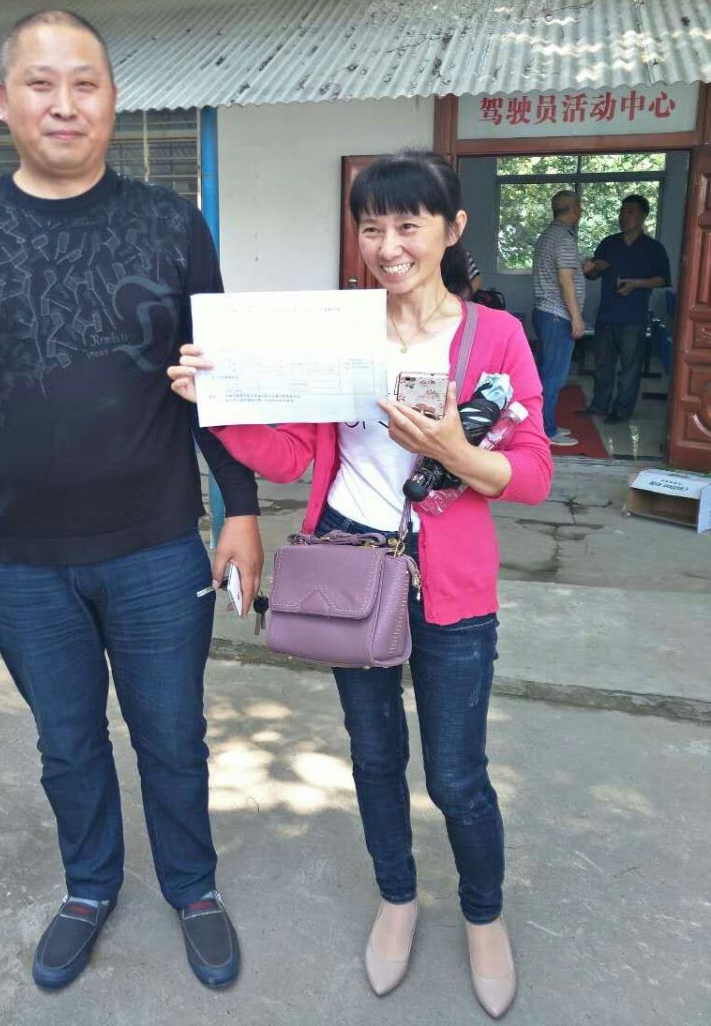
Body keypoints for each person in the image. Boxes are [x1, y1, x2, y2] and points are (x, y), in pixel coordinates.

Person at [0, 9, 264, 992]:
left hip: (156, 548)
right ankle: (91, 885)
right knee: (66, 743)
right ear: (4, 99)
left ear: (113, 99)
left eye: (84, 83)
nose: (64, 104)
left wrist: (242, 509)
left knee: (173, 736)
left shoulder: (171, 224)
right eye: (42, 82)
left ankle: (192, 887)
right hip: (21, 559)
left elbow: (217, 379)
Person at [169, 151, 553, 1018]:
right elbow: (293, 456)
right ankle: (397, 897)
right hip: (350, 569)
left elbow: (531, 475)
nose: (388, 246)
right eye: (372, 227)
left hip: (452, 585)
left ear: (451, 229)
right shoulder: (340, 330)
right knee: (374, 756)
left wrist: (455, 452)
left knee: (456, 776)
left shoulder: (494, 337)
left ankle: (483, 915)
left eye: (408, 225)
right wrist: (215, 406)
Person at [579, 194, 671, 423]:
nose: (624, 216)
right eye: (622, 211)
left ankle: (621, 410)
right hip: (606, 316)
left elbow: (662, 279)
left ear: (643, 216)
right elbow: (592, 274)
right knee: (602, 366)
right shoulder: (609, 243)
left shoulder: (653, 248)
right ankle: (599, 405)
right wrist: (591, 268)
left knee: (630, 369)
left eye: (630, 211)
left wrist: (636, 284)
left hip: (634, 318)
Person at [531, 191, 585, 448]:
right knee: (553, 377)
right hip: (557, 316)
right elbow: (565, 281)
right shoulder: (564, 239)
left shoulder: (548, 235)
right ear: (574, 209)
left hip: (546, 313)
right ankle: (545, 430)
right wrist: (577, 318)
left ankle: (544, 424)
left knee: (547, 374)